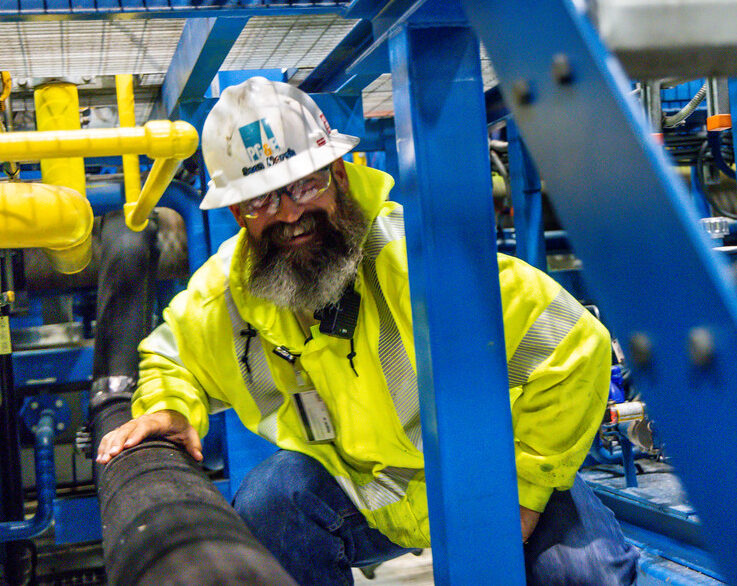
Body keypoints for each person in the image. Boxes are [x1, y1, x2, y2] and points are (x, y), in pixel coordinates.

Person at [97, 77, 638, 585]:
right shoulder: (228, 296)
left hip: (483, 474)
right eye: (261, 200)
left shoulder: (418, 263)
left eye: (303, 184)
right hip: (366, 495)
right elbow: (174, 356)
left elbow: (574, 345)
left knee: (583, 573)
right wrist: (169, 405)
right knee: (268, 503)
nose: (289, 214)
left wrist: (522, 493)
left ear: (339, 174)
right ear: (237, 211)